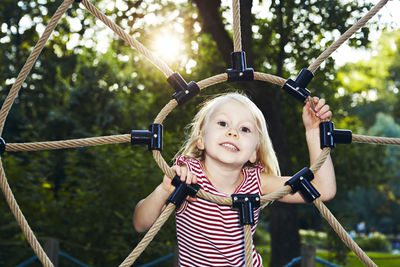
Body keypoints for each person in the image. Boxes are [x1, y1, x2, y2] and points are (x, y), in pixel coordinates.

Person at [133, 92, 336, 266]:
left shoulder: (256, 182)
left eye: (245, 129)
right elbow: (140, 224)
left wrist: (314, 132)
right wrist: (163, 191)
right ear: (201, 140)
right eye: (222, 123)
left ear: (253, 154)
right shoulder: (188, 177)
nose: (232, 132)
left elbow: (322, 188)